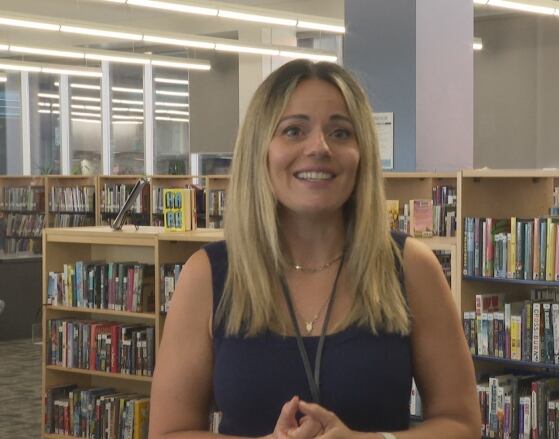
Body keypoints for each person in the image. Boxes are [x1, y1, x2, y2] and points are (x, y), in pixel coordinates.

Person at [149, 59, 480, 439]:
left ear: (362, 154)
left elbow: (462, 425)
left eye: (341, 133)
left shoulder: (410, 268)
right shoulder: (208, 276)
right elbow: (168, 432)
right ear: (261, 150)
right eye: (293, 130)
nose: (320, 147)